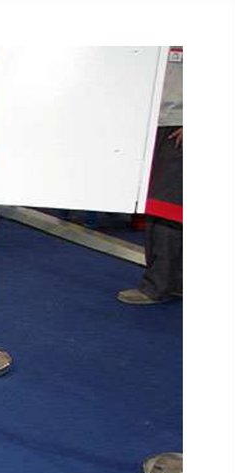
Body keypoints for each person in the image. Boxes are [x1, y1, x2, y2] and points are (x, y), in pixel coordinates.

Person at [118, 47, 182, 305]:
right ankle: (172, 281)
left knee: (166, 207)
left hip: (176, 124)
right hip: (156, 120)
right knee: (158, 206)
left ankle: (158, 285)